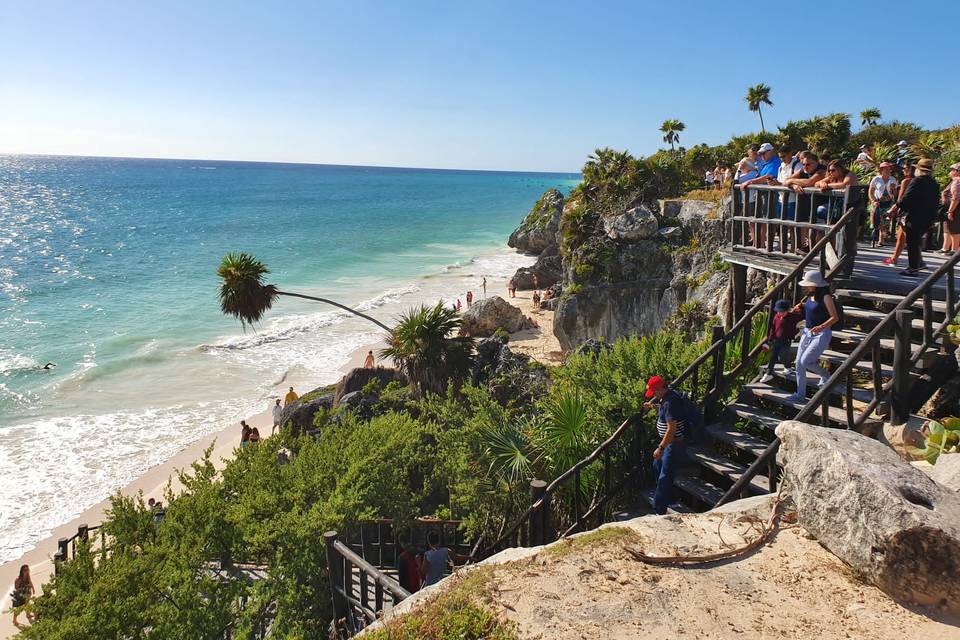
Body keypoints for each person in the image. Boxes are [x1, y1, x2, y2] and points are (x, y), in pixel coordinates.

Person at [642, 375, 697, 515]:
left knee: (664, 476)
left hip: (673, 443)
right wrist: (654, 407)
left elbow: (671, 428)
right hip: (669, 442)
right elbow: (667, 413)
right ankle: (671, 498)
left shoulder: (670, 402)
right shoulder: (668, 397)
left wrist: (661, 447)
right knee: (656, 466)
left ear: (661, 389)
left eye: (654, 392)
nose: (653, 394)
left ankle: (659, 510)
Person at [785, 271, 840, 404]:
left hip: (821, 333)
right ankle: (800, 394)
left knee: (806, 361)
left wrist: (821, 327)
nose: (806, 286)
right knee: (799, 364)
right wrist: (801, 308)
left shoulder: (826, 297)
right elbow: (813, 311)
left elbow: (834, 317)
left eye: (809, 284)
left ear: (816, 284)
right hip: (807, 332)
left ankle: (826, 375)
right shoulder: (810, 296)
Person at [891, 158, 939, 276]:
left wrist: (896, 207)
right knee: (916, 240)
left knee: (912, 242)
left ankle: (913, 268)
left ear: (919, 170)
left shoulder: (917, 181)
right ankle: (918, 263)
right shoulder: (934, 183)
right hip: (929, 217)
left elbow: (907, 199)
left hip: (915, 216)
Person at [784, 152, 827, 253]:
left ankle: (820, 254)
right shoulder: (803, 170)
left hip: (822, 205)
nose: (805, 166)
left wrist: (792, 181)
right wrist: (793, 185)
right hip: (807, 203)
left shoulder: (822, 170)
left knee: (819, 230)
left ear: (816, 162)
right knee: (803, 225)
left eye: (808, 164)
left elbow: (810, 182)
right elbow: (785, 181)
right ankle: (805, 249)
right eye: (803, 164)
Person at [759, 300, 802, 384]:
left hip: (786, 341)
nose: (780, 313)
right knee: (773, 357)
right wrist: (770, 339)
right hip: (777, 340)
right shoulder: (776, 316)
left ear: (787, 310)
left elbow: (803, 316)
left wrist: (801, 307)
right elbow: (773, 329)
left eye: (782, 311)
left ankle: (788, 367)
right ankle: (768, 373)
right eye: (778, 311)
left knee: (783, 356)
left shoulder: (792, 317)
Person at [884, 162, 916, 266]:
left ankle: (895, 259)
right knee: (907, 236)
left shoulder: (906, 181)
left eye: (905, 168)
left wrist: (894, 210)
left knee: (902, 236)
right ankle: (896, 258)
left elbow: (901, 198)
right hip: (916, 211)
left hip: (905, 211)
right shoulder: (920, 182)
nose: (903, 170)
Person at [869, 162, 898, 247]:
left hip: (888, 203)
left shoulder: (893, 179)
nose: (888, 170)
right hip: (877, 202)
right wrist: (873, 201)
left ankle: (881, 240)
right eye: (886, 169)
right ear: (881, 170)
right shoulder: (876, 179)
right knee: (874, 221)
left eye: (889, 168)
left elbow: (895, 194)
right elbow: (871, 192)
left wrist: (893, 189)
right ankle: (873, 238)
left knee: (884, 222)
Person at [939, 163, 960, 254]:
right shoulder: (954, 180)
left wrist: (950, 211)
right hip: (950, 207)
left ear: (957, 172)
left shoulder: (957, 181)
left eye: (952, 170)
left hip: (955, 208)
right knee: (947, 227)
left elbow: (955, 198)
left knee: (954, 228)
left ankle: (954, 249)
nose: (950, 172)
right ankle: (945, 248)